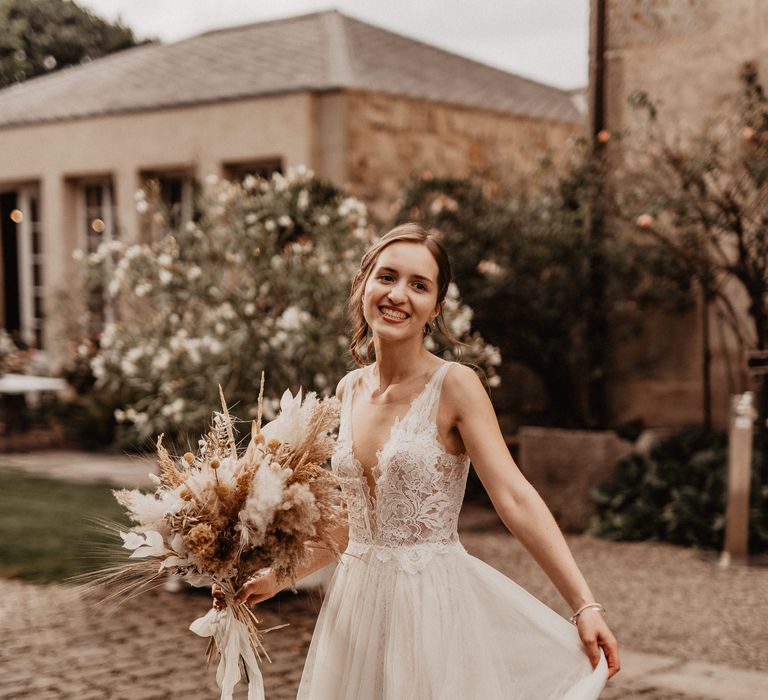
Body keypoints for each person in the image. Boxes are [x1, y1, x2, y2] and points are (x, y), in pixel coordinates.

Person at [213, 223, 620, 698]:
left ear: (436, 308)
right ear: (364, 284)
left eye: (419, 285)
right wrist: (276, 578)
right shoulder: (347, 391)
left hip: (429, 608)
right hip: (354, 609)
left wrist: (584, 605)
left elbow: (513, 497)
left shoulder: (456, 386)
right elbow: (353, 526)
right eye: (387, 277)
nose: (398, 295)